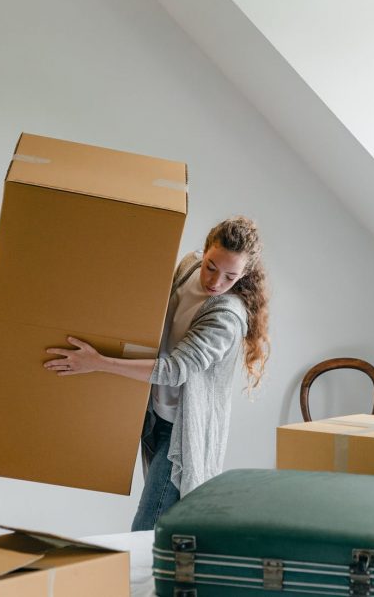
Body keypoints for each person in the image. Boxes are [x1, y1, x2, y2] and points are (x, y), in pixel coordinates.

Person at [44, 216, 270, 530]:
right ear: (203, 253)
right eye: (211, 267)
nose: (215, 282)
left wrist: (98, 362)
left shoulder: (226, 317)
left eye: (230, 276)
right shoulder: (187, 268)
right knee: (167, 527)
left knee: (148, 527)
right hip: (154, 415)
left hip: (183, 430)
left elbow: (174, 370)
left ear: (244, 275)